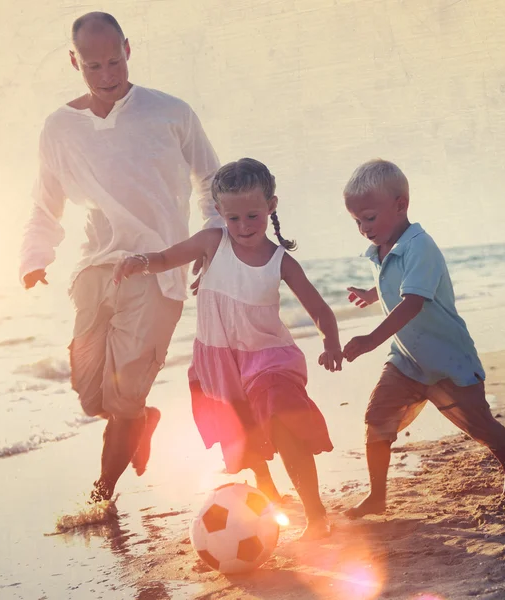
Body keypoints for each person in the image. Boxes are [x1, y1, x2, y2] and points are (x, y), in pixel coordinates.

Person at [19, 12, 223, 503]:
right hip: (93, 269)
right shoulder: (59, 128)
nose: (108, 75)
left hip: (158, 267)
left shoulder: (170, 112)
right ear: (75, 62)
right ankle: (142, 420)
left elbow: (210, 180)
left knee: (123, 396)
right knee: (92, 396)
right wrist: (34, 256)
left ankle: (101, 495)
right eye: (94, 66)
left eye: (114, 61)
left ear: (128, 50)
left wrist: (211, 237)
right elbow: (46, 201)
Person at [113, 158, 343, 540]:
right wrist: (140, 262)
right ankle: (268, 498)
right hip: (218, 361)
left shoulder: (280, 261)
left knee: (286, 427)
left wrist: (330, 343)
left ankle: (316, 514)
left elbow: (318, 308)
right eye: (233, 218)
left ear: (271, 205)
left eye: (253, 215)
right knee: (243, 437)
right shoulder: (211, 242)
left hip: (269, 358)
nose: (244, 227)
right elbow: (168, 258)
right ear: (219, 213)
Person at [341, 158, 505, 519]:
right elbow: (397, 280)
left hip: (448, 359)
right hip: (407, 360)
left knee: (480, 426)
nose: (363, 228)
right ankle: (377, 495)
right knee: (377, 418)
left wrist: (370, 339)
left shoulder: (421, 246)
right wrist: (372, 294)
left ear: (400, 205)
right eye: (357, 221)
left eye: (369, 218)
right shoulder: (383, 247)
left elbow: (413, 301)